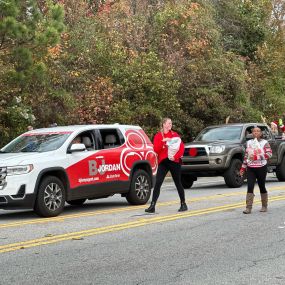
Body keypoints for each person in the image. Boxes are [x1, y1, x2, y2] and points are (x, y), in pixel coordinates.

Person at [145, 118, 188, 213]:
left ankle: (183, 204)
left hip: (174, 161)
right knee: (158, 183)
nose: (170, 125)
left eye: (171, 123)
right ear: (164, 124)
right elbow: (156, 149)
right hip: (164, 162)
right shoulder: (158, 136)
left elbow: (181, 147)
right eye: (169, 123)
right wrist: (164, 142)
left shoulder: (175, 135)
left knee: (178, 183)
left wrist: (175, 157)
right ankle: (152, 206)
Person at [239, 126, 272, 214]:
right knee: (250, 186)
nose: (256, 133)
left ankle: (264, 206)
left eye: (258, 131)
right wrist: (242, 168)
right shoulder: (249, 143)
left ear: (261, 133)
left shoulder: (265, 143)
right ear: (252, 133)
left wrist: (256, 157)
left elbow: (269, 154)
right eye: (254, 131)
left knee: (262, 186)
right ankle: (248, 208)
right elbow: (246, 156)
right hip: (251, 168)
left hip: (261, 167)